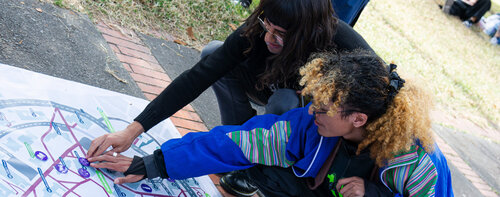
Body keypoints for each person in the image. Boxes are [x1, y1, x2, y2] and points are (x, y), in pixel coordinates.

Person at [87, 0, 374, 195]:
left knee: (285, 107)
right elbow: (199, 76)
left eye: (280, 35)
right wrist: (134, 130)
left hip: (307, 124)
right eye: (266, 26)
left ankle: (261, 164)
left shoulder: (347, 56)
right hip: (280, 101)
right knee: (214, 54)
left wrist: (369, 188)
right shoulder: (263, 31)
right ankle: (252, 158)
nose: (267, 38)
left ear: (307, 36)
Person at [88, 50, 454, 197]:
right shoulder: (314, 124)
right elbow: (236, 143)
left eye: (323, 108)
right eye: (314, 102)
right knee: (264, 165)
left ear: (357, 119)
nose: (312, 112)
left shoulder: (418, 165)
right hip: (326, 187)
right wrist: (151, 164)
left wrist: (373, 194)